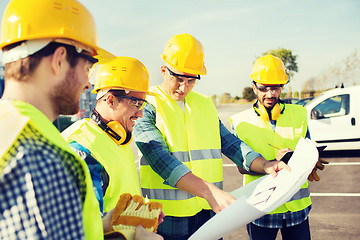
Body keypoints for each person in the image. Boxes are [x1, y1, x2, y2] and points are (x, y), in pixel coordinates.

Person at [133, 33, 289, 240]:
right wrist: (211, 192)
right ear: (164, 70)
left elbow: (231, 144)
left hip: (208, 211)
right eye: (178, 78)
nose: (184, 87)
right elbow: (161, 160)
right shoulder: (146, 105)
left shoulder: (205, 104)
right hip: (167, 216)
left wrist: (265, 165)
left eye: (191, 80)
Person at [0, 0, 115, 239]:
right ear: (59, 59)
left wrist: (103, 225)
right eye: (88, 66)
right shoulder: (45, 159)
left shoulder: (8, 128)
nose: (88, 83)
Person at [61, 56, 164, 239]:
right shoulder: (83, 149)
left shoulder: (116, 139)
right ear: (110, 100)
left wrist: (139, 216)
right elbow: (84, 231)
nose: (140, 113)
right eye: (136, 103)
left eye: (143, 104)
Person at [229, 54, 313, 240]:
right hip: (260, 209)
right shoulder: (241, 122)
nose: (269, 94)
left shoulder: (299, 114)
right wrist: (273, 164)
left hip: (296, 209)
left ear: (282, 86)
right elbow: (241, 167)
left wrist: (310, 161)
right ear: (254, 87)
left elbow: (308, 148)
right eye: (263, 88)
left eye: (274, 88)